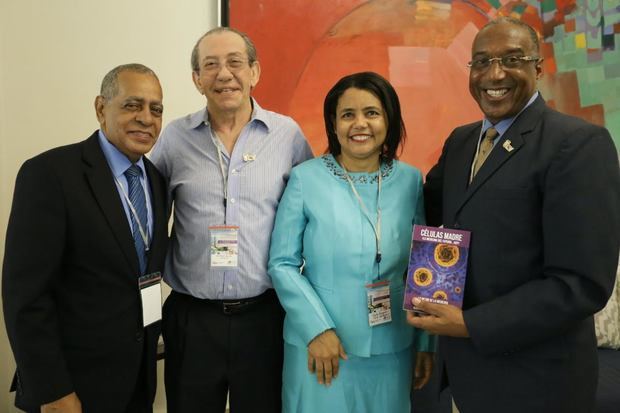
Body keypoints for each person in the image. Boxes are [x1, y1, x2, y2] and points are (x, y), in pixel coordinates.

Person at [407, 17, 620, 413]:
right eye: (482, 61)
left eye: (512, 59)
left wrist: (471, 325)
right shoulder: (462, 141)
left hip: (536, 383)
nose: (495, 73)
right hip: (467, 379)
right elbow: (422, 209)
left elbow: (581, 283)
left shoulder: (578, 144)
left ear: (538, 68)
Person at [149, 27, 313, 413]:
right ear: (196, 79)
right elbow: (146, 212)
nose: (224, 74)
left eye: (235, 62)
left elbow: (313, 214)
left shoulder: (287, 135)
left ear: (254, 72)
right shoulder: (174, 138)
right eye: (211, 65)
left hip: (264, 317)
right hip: (192, 317)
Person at [2, 63, 168, 413]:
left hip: (137, 384)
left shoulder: (157, 181)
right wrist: (52, 391)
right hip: (71, 390)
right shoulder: (51, 174)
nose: (146, 118)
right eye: (132, 105)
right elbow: (25, 297)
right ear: (100, 108)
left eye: (156, 109)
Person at [268, 72, 435, 413]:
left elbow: (424, 265)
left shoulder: (410, 180)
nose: (360, 124)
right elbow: (282, 264)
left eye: (372, 113)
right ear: (333, 123)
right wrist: (317, 329)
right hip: (321, 348)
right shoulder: (305, 178)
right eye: (348, 114)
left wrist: (426, 342)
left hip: (394, 345)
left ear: (389, 119)